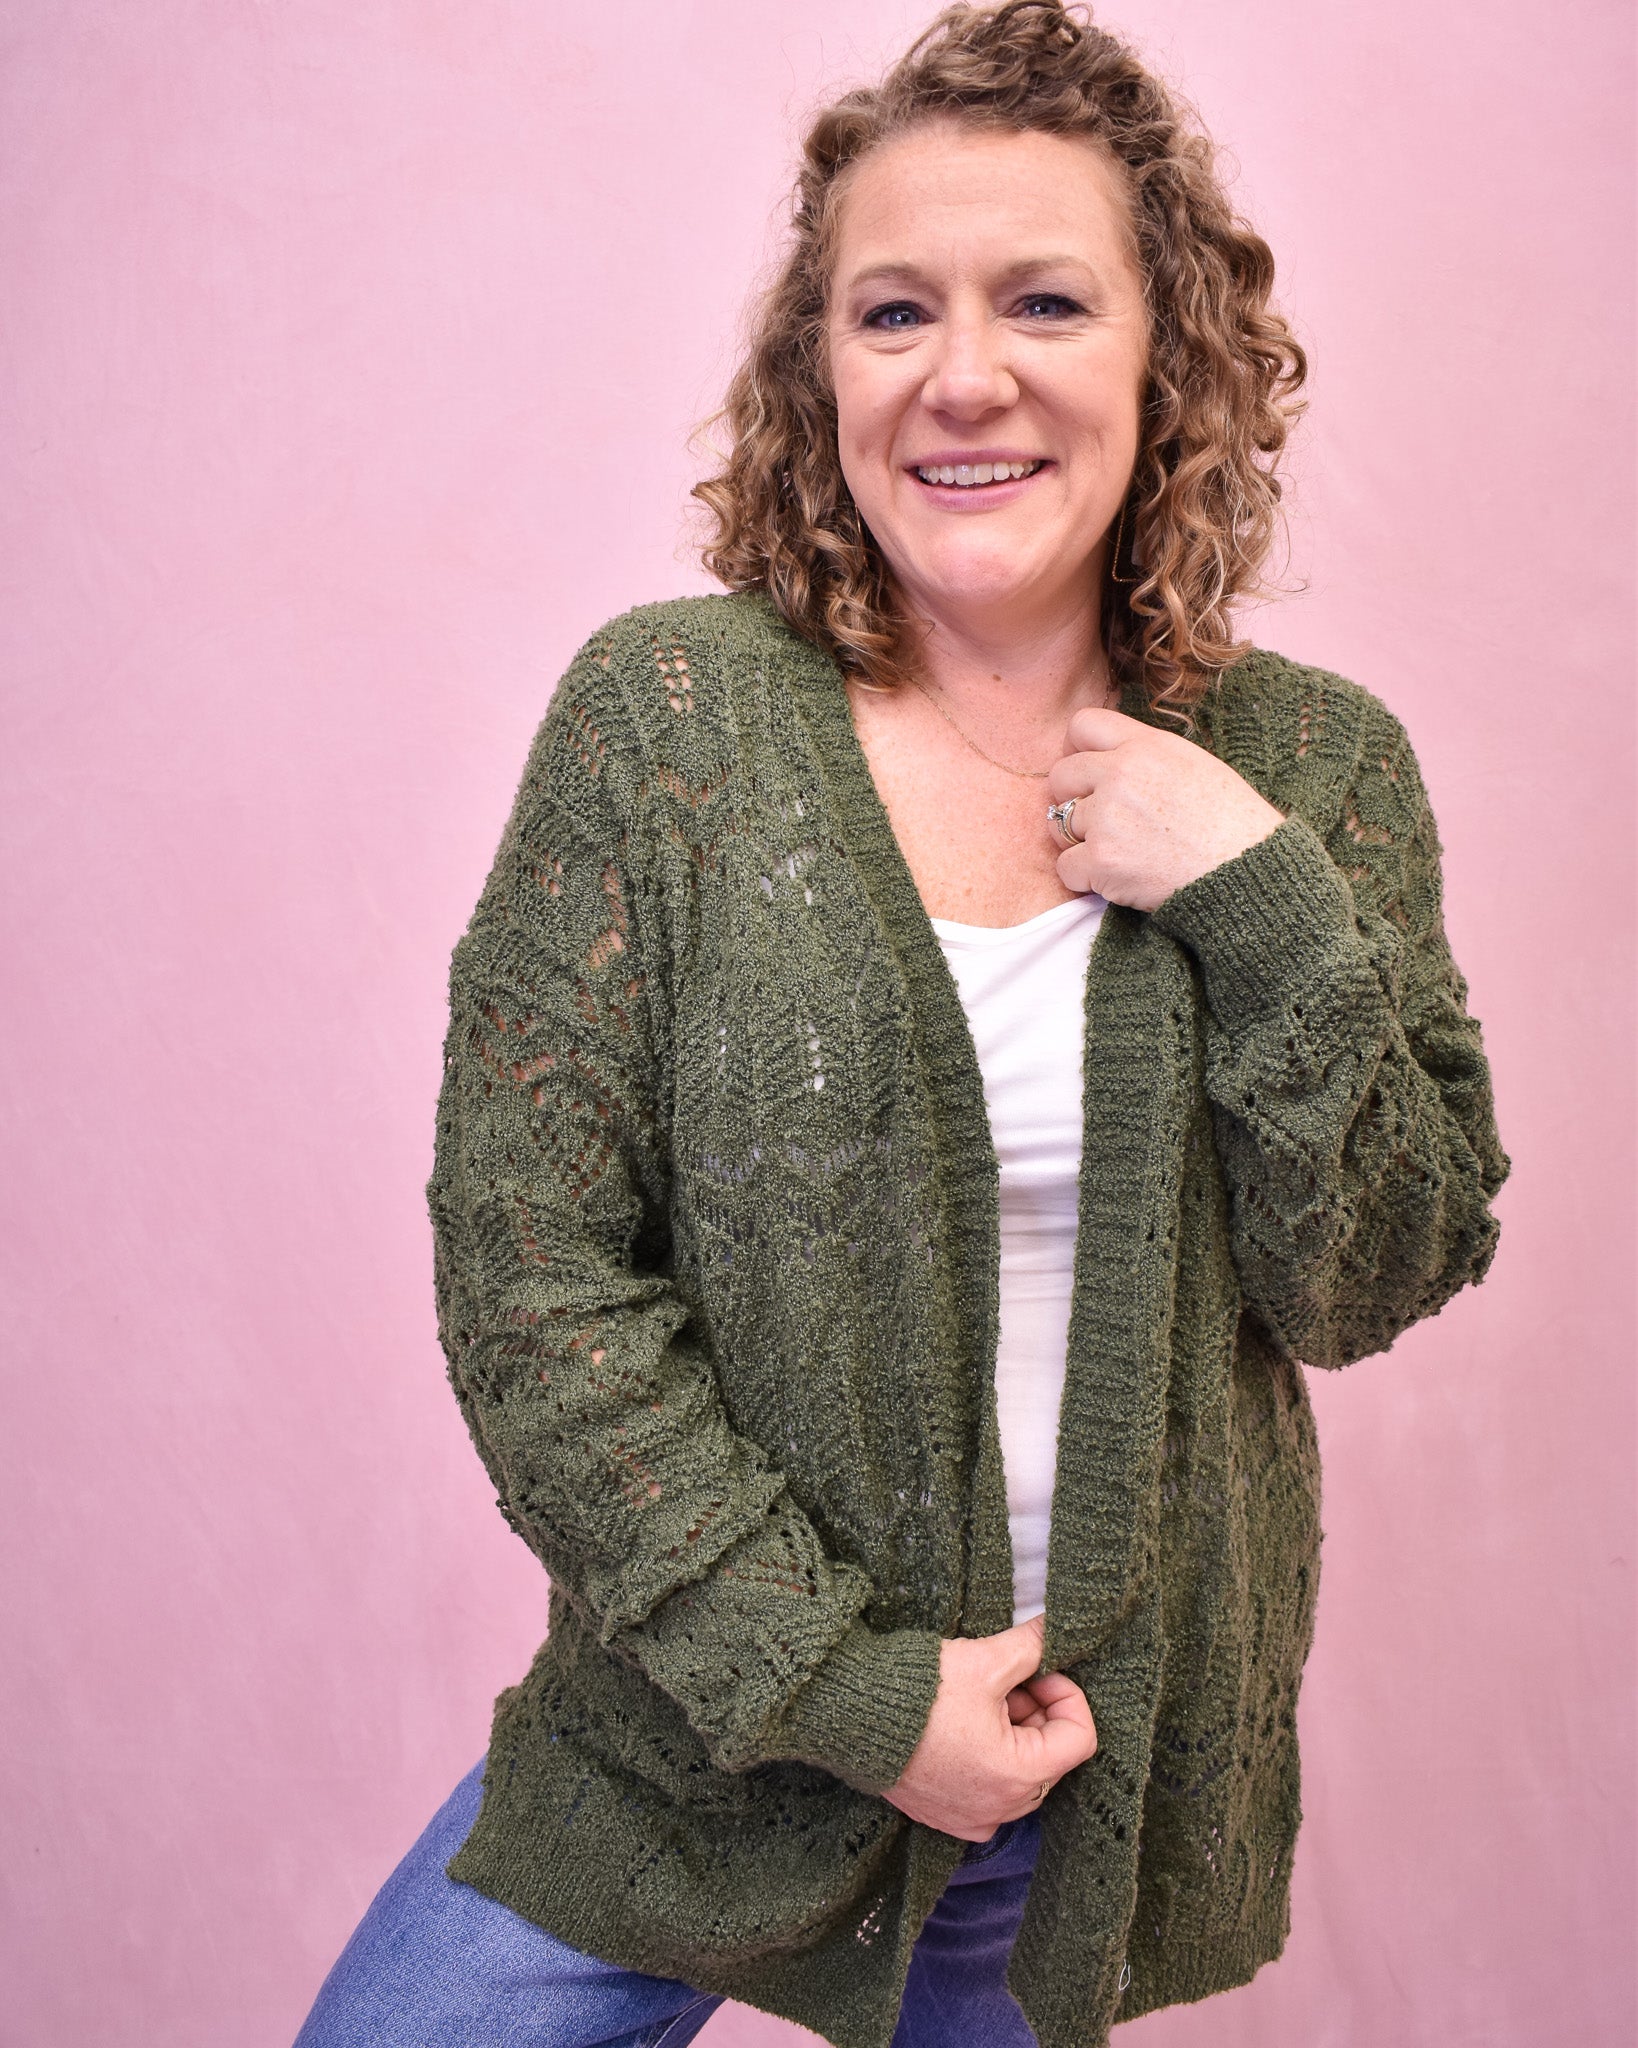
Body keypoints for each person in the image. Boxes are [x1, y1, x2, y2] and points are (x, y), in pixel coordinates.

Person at [295, 4, 1509, 2045]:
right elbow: (531, 1279)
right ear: (819, 373)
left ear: (1166, 356)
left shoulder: (1314, 770)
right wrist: (848, 1696)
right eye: (891, 312)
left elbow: (1368, 1274)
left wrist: (1257, 894)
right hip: (693, 1741)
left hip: (1066, 1784)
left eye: (1044, 300)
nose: (964, 375)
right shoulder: (662, 728)